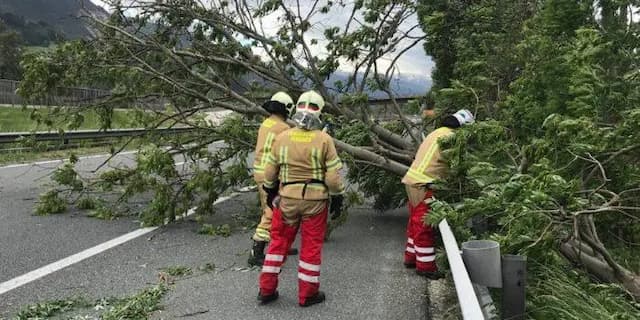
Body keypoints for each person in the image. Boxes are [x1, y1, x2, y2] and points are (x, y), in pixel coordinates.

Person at [257, 90, 345, 307]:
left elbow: (269, 173)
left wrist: (270, 193)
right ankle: (308, 295)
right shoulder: (324, 139)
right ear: (320, 111)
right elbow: (333, 179)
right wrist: (337, 198)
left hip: (286, 199)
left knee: (278, 242)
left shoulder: (282, 137)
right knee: (311, 246)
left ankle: (266, 290)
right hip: (315, 202)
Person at [401, 109, 475, 279]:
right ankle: (426, 267)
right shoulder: (454, 138)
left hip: (412, 181)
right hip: (425, 184)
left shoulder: (437, 132)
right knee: (424, 225)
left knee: (414, 224)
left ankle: (411, 258)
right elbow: (457, 166)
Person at [248, 91, 298, 266]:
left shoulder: (266, 123)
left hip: (260, 172)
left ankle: (280, 245)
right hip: (271, 175)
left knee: (278, 210)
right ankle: (257, 250)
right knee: (271, 212)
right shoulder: (283, 128)